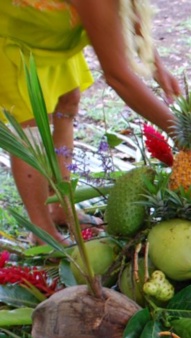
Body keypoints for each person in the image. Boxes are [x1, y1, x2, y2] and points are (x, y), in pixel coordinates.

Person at [0, 0, 181, 244]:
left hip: (54, 37)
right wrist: (181, 130)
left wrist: (155, 64)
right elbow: (119, 77)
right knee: (30, 124)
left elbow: (128, 10)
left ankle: (60, 205)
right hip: (16, 35)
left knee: (68, 102)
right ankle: (41, 231)